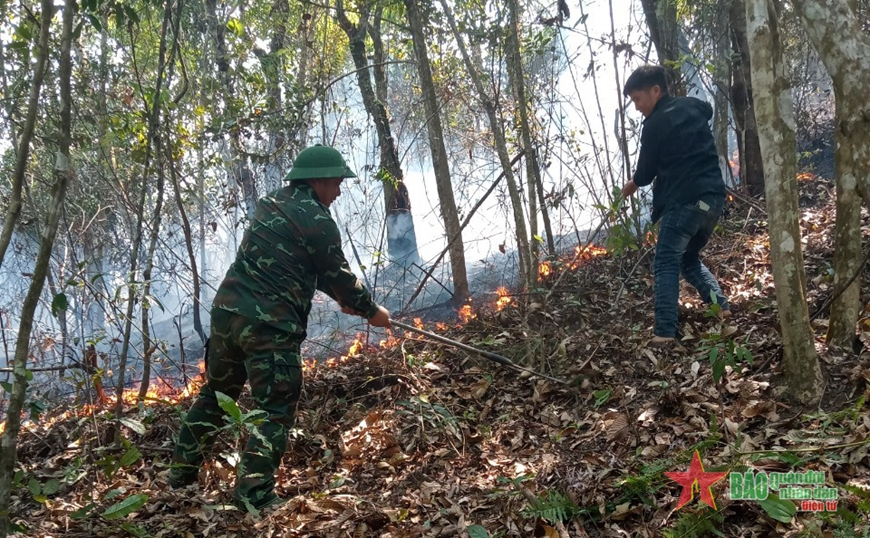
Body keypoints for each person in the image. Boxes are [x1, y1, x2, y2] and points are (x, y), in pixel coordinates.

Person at [168, 145, 391, 511]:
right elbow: (337, 275)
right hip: (268, 325)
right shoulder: (317, 220)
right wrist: (371, 311)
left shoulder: (272, 204)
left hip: (226, 314)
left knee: (216, 397)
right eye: (337, 182)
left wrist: (341, 299)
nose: (339, 190)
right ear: (318, 179)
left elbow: (296, 266)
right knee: (275, 407)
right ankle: (254, 496)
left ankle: (180, 476)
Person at [620, 65, 730, 344]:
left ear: (656, 91)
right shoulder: (694, 107)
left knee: (666, 261)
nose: (637, 107)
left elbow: (645, 173)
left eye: (638, 100)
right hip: (713, 200)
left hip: (684, 202)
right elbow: (706, 110)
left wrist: (633, 183)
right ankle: (722, 309)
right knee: (687, 259)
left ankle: (665, 332)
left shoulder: (656, 123)